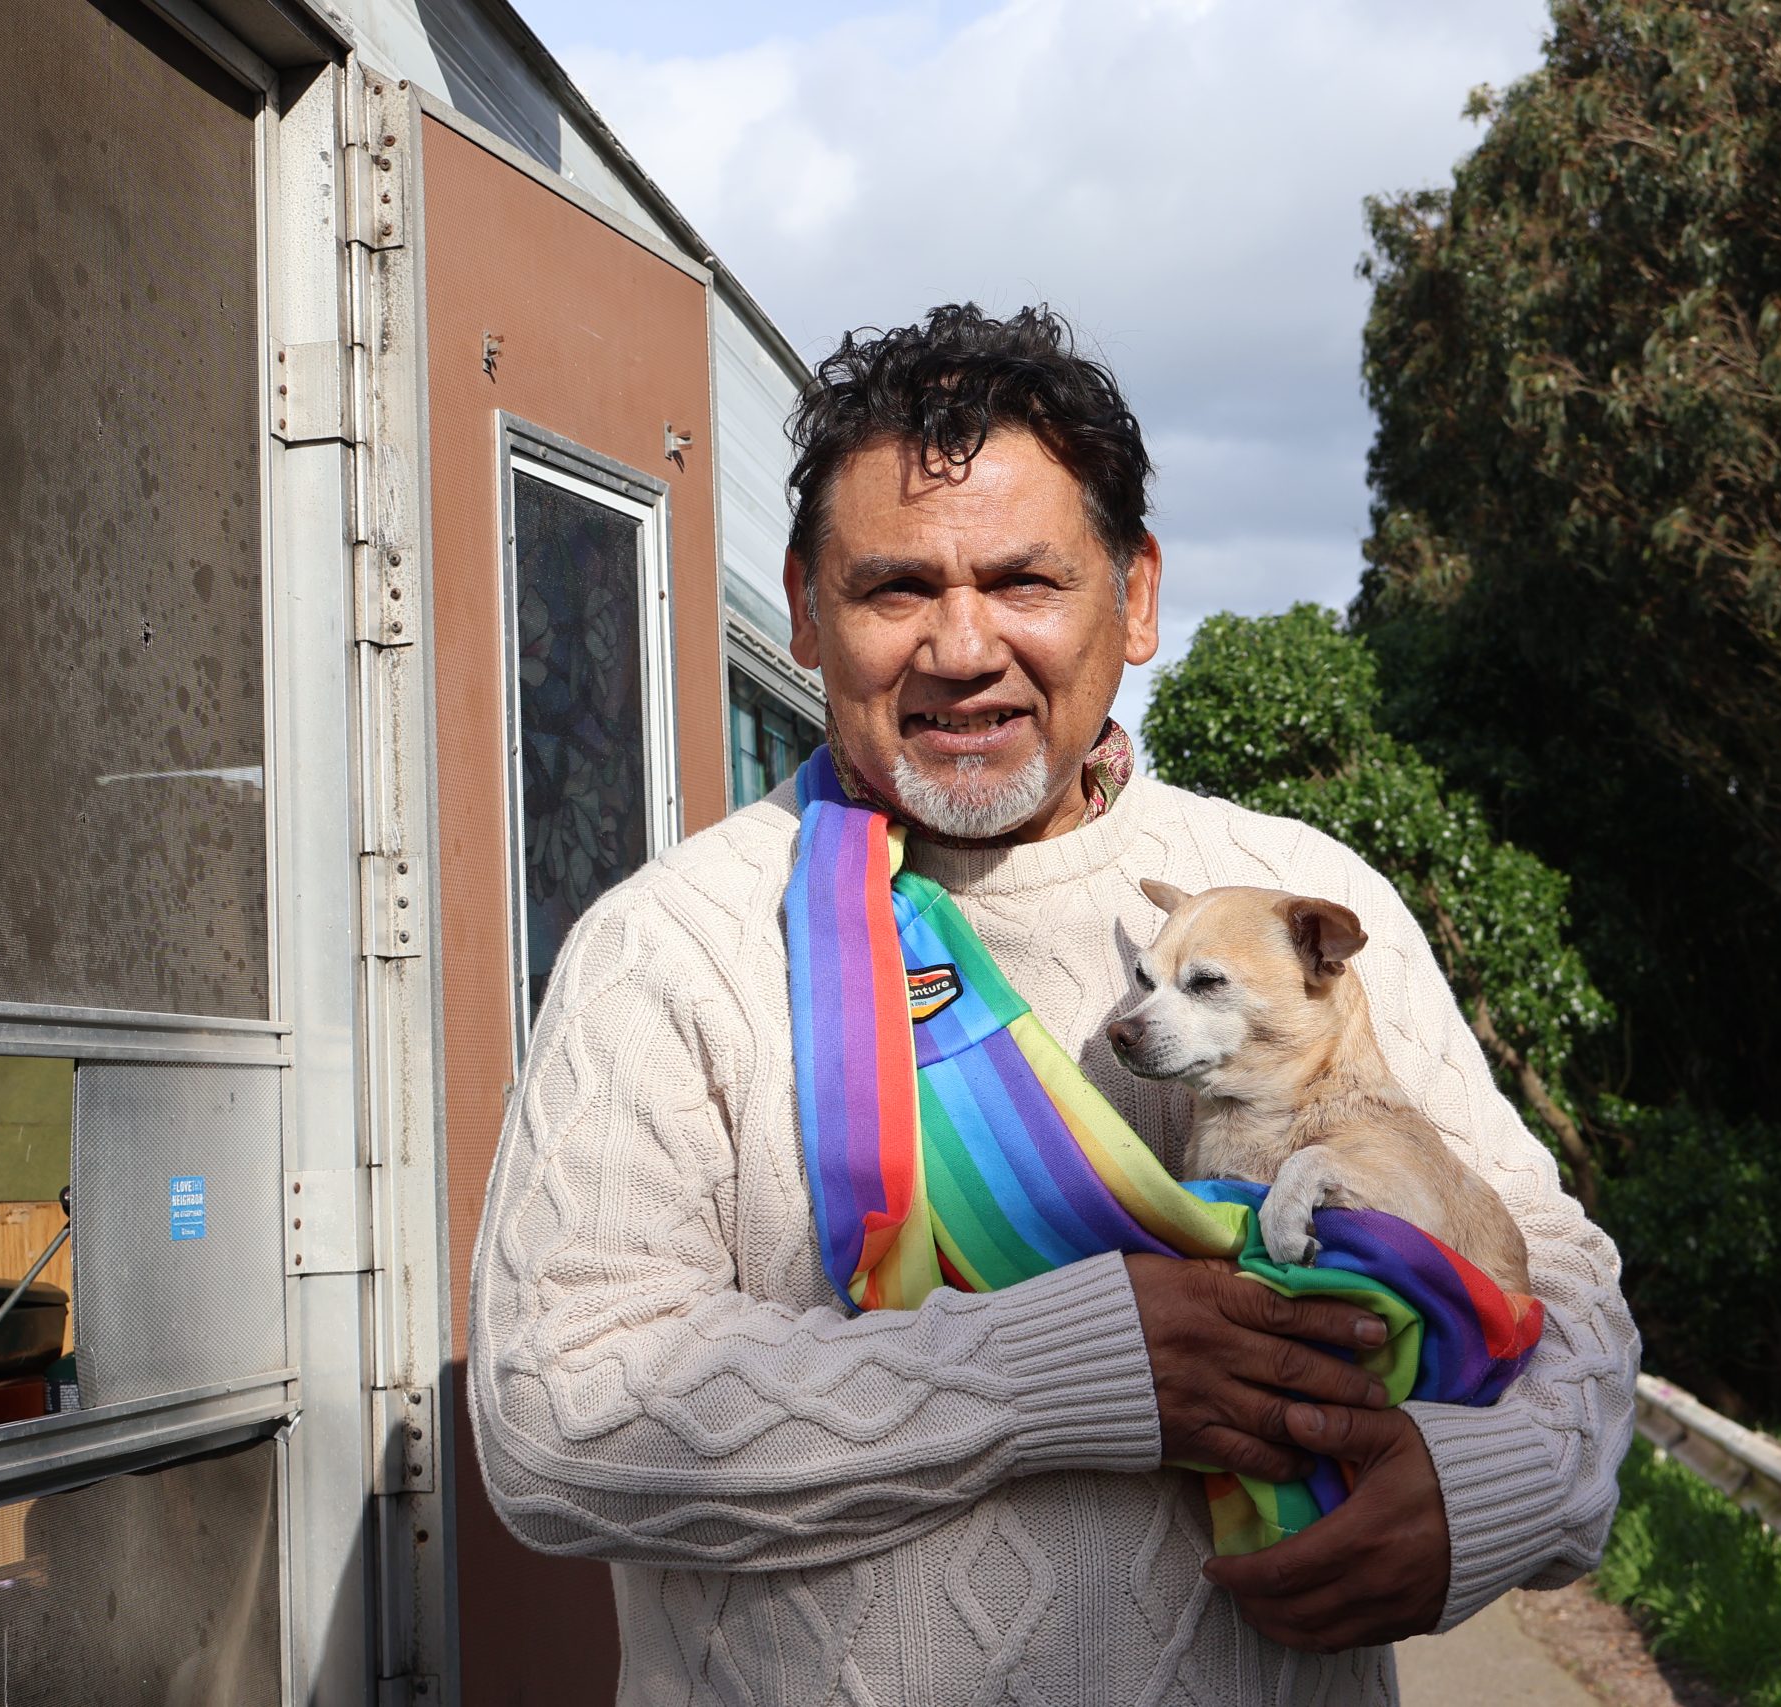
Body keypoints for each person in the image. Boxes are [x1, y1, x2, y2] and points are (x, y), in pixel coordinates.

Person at [466, 303, 1638, 1703]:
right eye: (897, 588)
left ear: (1135, 598)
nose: (963, 649)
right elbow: (557, 1419)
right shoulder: (674, 949)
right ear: (803, 608)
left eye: (1025, 581)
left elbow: (1551, 1265)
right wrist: (1066, 1371)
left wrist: (1485, 1488)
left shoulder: (1295, 899)